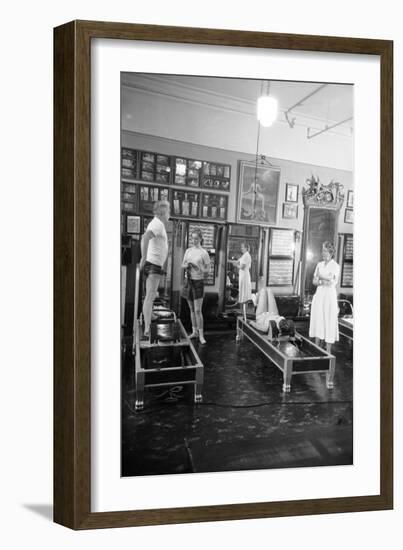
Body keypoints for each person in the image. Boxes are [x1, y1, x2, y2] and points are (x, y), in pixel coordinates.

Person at [140, 200, 170, 338]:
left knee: (151, 295)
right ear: (163, 212)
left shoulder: (157, 224)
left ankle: (150, 315)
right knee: (150, 296)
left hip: (153, 265)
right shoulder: (157, 224)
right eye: (168, 211)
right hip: (153, 265)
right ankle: (147, 329)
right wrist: (143, 258)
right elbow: (145, 238)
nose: (169, 214)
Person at [309, 241, 340, 353]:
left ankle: (328, 352)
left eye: (325, 251)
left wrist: (320, 277)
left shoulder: (335, 266)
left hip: (329, 297)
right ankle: (316, 348)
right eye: (322, 250)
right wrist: (323, 279)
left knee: (329, 319)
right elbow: (314, 281)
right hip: (320, 295)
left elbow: (330, 281)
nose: (323, 253)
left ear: (331, 252)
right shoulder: (319, 264)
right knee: (318, 318)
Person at [181, 228, 210, 344]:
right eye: (193, 238)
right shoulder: (188, 251)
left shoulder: (204, 253)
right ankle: (194, 332)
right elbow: (182, 265)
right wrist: (186, 265)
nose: (194, 241)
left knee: (198, 310)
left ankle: (201, 335)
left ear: (201, 239)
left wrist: (202, 269)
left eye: (196, 239)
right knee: (192, 309)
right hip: (188, 282)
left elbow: (208, 269)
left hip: (198, 282)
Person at [236, 242, 252, 319]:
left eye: (242, 247)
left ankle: (245, 316)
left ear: (246, 248)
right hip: (243, 276)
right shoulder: (244, 255)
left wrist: (236, 266)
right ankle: (244, 315)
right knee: (243, 294)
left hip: (244, 276)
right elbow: (238, 261)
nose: (241, 248)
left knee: (244, 296)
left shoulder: (246, 255)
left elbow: (242, 267)